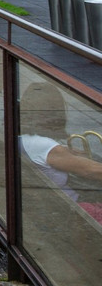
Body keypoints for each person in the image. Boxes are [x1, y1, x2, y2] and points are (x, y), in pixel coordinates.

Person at [19, 80, 102, 223]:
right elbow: (90, 170)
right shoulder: (46, 145)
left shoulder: (23, 137)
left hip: (50, 203)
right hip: (71, 209)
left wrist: (63, 152)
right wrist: (60, 152)